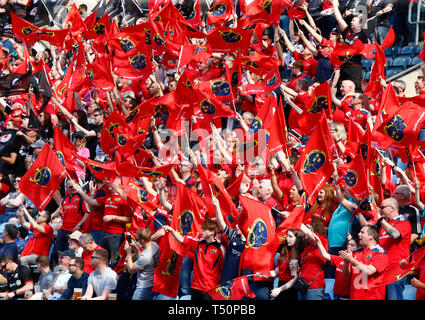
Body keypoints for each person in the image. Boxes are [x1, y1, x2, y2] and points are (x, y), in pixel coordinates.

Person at [164, 220, 224, 300]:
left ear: (212, 232)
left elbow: (223, 269)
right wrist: (171, 230)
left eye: (204, 229)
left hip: (210, 288)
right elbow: (182, 240)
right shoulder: (198, 244)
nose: (201, 231)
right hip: (196, 287)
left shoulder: (220, 248)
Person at [339, 225, 388, 300]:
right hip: (354, 297)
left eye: (362, 232)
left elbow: (368, 271)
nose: (359, 234)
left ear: (371, 236)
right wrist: (346, 262)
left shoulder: (380, 253)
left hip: (372, 297)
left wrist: (351, 259)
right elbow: (346, 274)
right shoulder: (356, 252)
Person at [377, 197, 412, 300]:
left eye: (382, 207)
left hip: (396, 269)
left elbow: (395, 234)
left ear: (392, 208)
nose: (380, 210)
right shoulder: (385, 225)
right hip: (383, 269)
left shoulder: (403, 222)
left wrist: (380, 219)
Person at [211, 195, 246, 285]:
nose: (237, 226)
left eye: (240, 224)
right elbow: (222, 225)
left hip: (239, 282)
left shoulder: (251, 242)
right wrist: (217, 206)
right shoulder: (234, 235)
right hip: (226, 278)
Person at [124, 228, 160, 300]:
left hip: (144, 287)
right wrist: (135, 248)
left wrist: (128, 253)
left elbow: (131, 270)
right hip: (152, 284)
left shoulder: (145, 256)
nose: (137, 241)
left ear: (142, 240)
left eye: (138, 239)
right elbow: (143, 261)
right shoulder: (155, 245)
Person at [270, 229, 307, 300]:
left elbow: (295, 278)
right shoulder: (285, 253)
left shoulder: (296, 256)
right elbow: (275, 273)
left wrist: (280, 289)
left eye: (290, 236)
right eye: (287, 236)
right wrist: (261, 273)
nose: (287, 238)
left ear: (297, 239)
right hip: (280, 287)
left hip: (290, 290)